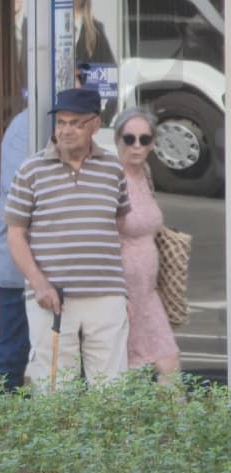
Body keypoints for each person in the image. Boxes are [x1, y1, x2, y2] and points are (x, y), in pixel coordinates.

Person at [5, 87, 131, 387]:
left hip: (106, 294)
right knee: (54, 389)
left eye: (76, 123)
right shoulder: (31, 170)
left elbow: (120, 225)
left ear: (96, 125)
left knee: (111, 387)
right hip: (53, 297)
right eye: (61, 122)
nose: (66, 130)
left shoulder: (113, 168)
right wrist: (39, 283)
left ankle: (109, 438)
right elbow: (15, 234)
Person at [114, 106, 182, 376]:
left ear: (153, 143)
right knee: (132, 369)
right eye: (129, 138)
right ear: (118, 140)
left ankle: (176, 419)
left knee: (168, 359)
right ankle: (134, 419)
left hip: (148, 291)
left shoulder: (145, 175)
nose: (136, 146)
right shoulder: (112, 178)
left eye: (144, 139)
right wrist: (119, 295)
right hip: (124, 291)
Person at [0, 108, 32, 388]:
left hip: (47, 268)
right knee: (14, 352)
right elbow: (22, 190)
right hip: (18, 267)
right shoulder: (25, 127)